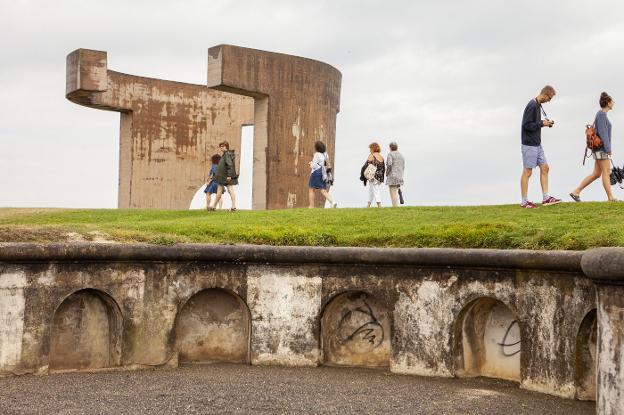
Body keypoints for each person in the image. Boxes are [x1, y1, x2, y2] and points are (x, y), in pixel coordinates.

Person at [570, 92, 618, 202]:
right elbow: (602, 133)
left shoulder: (602, 115)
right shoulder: (601, 115)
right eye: (612, 101)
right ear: (608, 103)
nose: (614, 103)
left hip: (600, 149)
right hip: (602, 148)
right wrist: (608, 148)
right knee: (606, 172)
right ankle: (610, 197)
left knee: (596, 174)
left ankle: (576, 192)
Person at [520, 85, 561, 208]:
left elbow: (535, 124)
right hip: (529, 144)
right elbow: (526, 125)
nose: (549, 101)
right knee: (527, 171)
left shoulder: (538, 105)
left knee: (545, 168)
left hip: (537, 144)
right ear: (545, 94)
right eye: (549, 98)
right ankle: (524, 202)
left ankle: (546, 198)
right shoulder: (532, 105)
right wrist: (541, 123)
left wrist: (544, 123)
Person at [208, 141, 238, 211]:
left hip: (226, 176)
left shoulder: (227, 154)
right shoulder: (225, 154)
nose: (221, 148)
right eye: (220, 146)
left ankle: (233, 206)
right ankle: (214, 206)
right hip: (222, 177)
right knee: (220, 191)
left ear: (226, 147)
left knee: (230, 190)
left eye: (222, 146)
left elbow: (230, 165)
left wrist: (229, 176)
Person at [308, 140, 337, 208]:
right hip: (323, 173)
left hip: (316, 172)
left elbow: (313, 166)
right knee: (323, 190)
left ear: (317, 148)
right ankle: (333, 202)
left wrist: (310, 163)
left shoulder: (317, 154)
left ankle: (311, 206)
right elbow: (326, 164)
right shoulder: (326, 154)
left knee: (311, 189)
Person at [360, 142, 385, 208]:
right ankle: (368, 206)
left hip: (373, 176)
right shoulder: (381, 157)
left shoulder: (372, 155)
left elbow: (365, 166)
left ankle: (379, 206)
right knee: (371, 191)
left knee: (376, 190)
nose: (369, 150)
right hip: (379, 177)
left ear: (373, 148)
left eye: (370, 148)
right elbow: (383, 168)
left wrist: (363, 176)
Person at [385, 142, 405, 207]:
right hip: (400, 176)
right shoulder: (401, 155)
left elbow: (390, 164)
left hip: (392, 176)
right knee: (396, 191)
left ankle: (395, 206)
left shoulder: (390, 154)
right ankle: (396, 205)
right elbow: (403, 166)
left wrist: (387, 172)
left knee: (393, 191)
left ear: (390, 148)